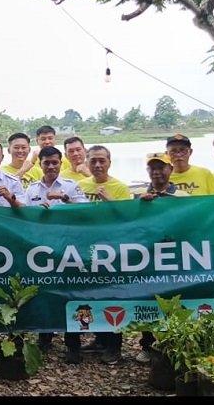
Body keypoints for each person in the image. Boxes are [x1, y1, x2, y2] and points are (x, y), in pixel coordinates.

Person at [23, 146, 87, 364]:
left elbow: (86, 214)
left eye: (55, 163)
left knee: (71, 295)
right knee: (43, 292)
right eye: (46, 163)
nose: (51, 167)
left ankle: (73, 345)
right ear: (40, 164)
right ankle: (45, 336)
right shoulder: (31, 189)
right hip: (41, 250)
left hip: (68, 250)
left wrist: (65, 200)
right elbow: (24, 217)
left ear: (61, 163)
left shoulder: (71, 186)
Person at [76, 146, 132, 365]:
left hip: (111, 250)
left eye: (102, 161)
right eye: (93, 161)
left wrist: (110, 201)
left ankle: (114, 346)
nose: (97, 165)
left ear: (109, 162)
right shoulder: (81, 185)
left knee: (111, 295)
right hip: (86, 248)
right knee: (90, 294)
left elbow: (128, 218)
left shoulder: (120, 187)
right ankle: (99, 338)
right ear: (87, 163)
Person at [131, 152, 189, 363]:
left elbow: (193, 221)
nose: (156, 172)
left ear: (170, 169)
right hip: (146, 256)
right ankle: (147, 344)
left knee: (173, 299)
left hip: (172, 256)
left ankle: (172, 344)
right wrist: (140, 205)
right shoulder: (137, 194)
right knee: (147, 299)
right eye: (152, 168)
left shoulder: (182, 196)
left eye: (161, 167)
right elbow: (126, 219)